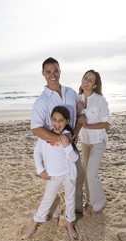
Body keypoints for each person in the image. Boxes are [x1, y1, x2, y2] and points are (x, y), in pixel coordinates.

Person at [30, 57, 89, 218]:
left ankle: (77, 209)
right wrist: (60, 141)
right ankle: (54, 213)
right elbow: (36, 128)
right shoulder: (42, 101)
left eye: (55, 70)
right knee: (53, 182)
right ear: (43, 74)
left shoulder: (70, 92)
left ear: (60, 71)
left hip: (71, 146)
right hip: (53, 149)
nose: (52, 74)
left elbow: (79, 116)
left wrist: (76, 131)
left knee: (78, 176)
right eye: (48, 71)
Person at [22, 106, 79, 240]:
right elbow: (37, 153)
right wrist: (40, 170)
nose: (57, 123)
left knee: (70, 200)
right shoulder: (45, 136)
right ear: (50, 120)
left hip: (68, 174)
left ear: (67, 121)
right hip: (52, 176)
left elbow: (75, 158)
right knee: (47, 200)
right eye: (54, 119)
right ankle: (34, 225)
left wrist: (67, 145)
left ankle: (69, 224)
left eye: (61, 120)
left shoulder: (67, 136)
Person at [77, 69, 111, 212]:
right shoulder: (77, 98)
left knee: (91, 174)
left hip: (98, 142)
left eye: (90, 80)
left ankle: (99, 203)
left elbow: (107, 124)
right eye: (85, 78)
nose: (86, 81)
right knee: (85, 172)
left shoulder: (100, 100)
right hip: (84, 141)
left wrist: (88, 125)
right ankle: (88, 199)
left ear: (95, 85)